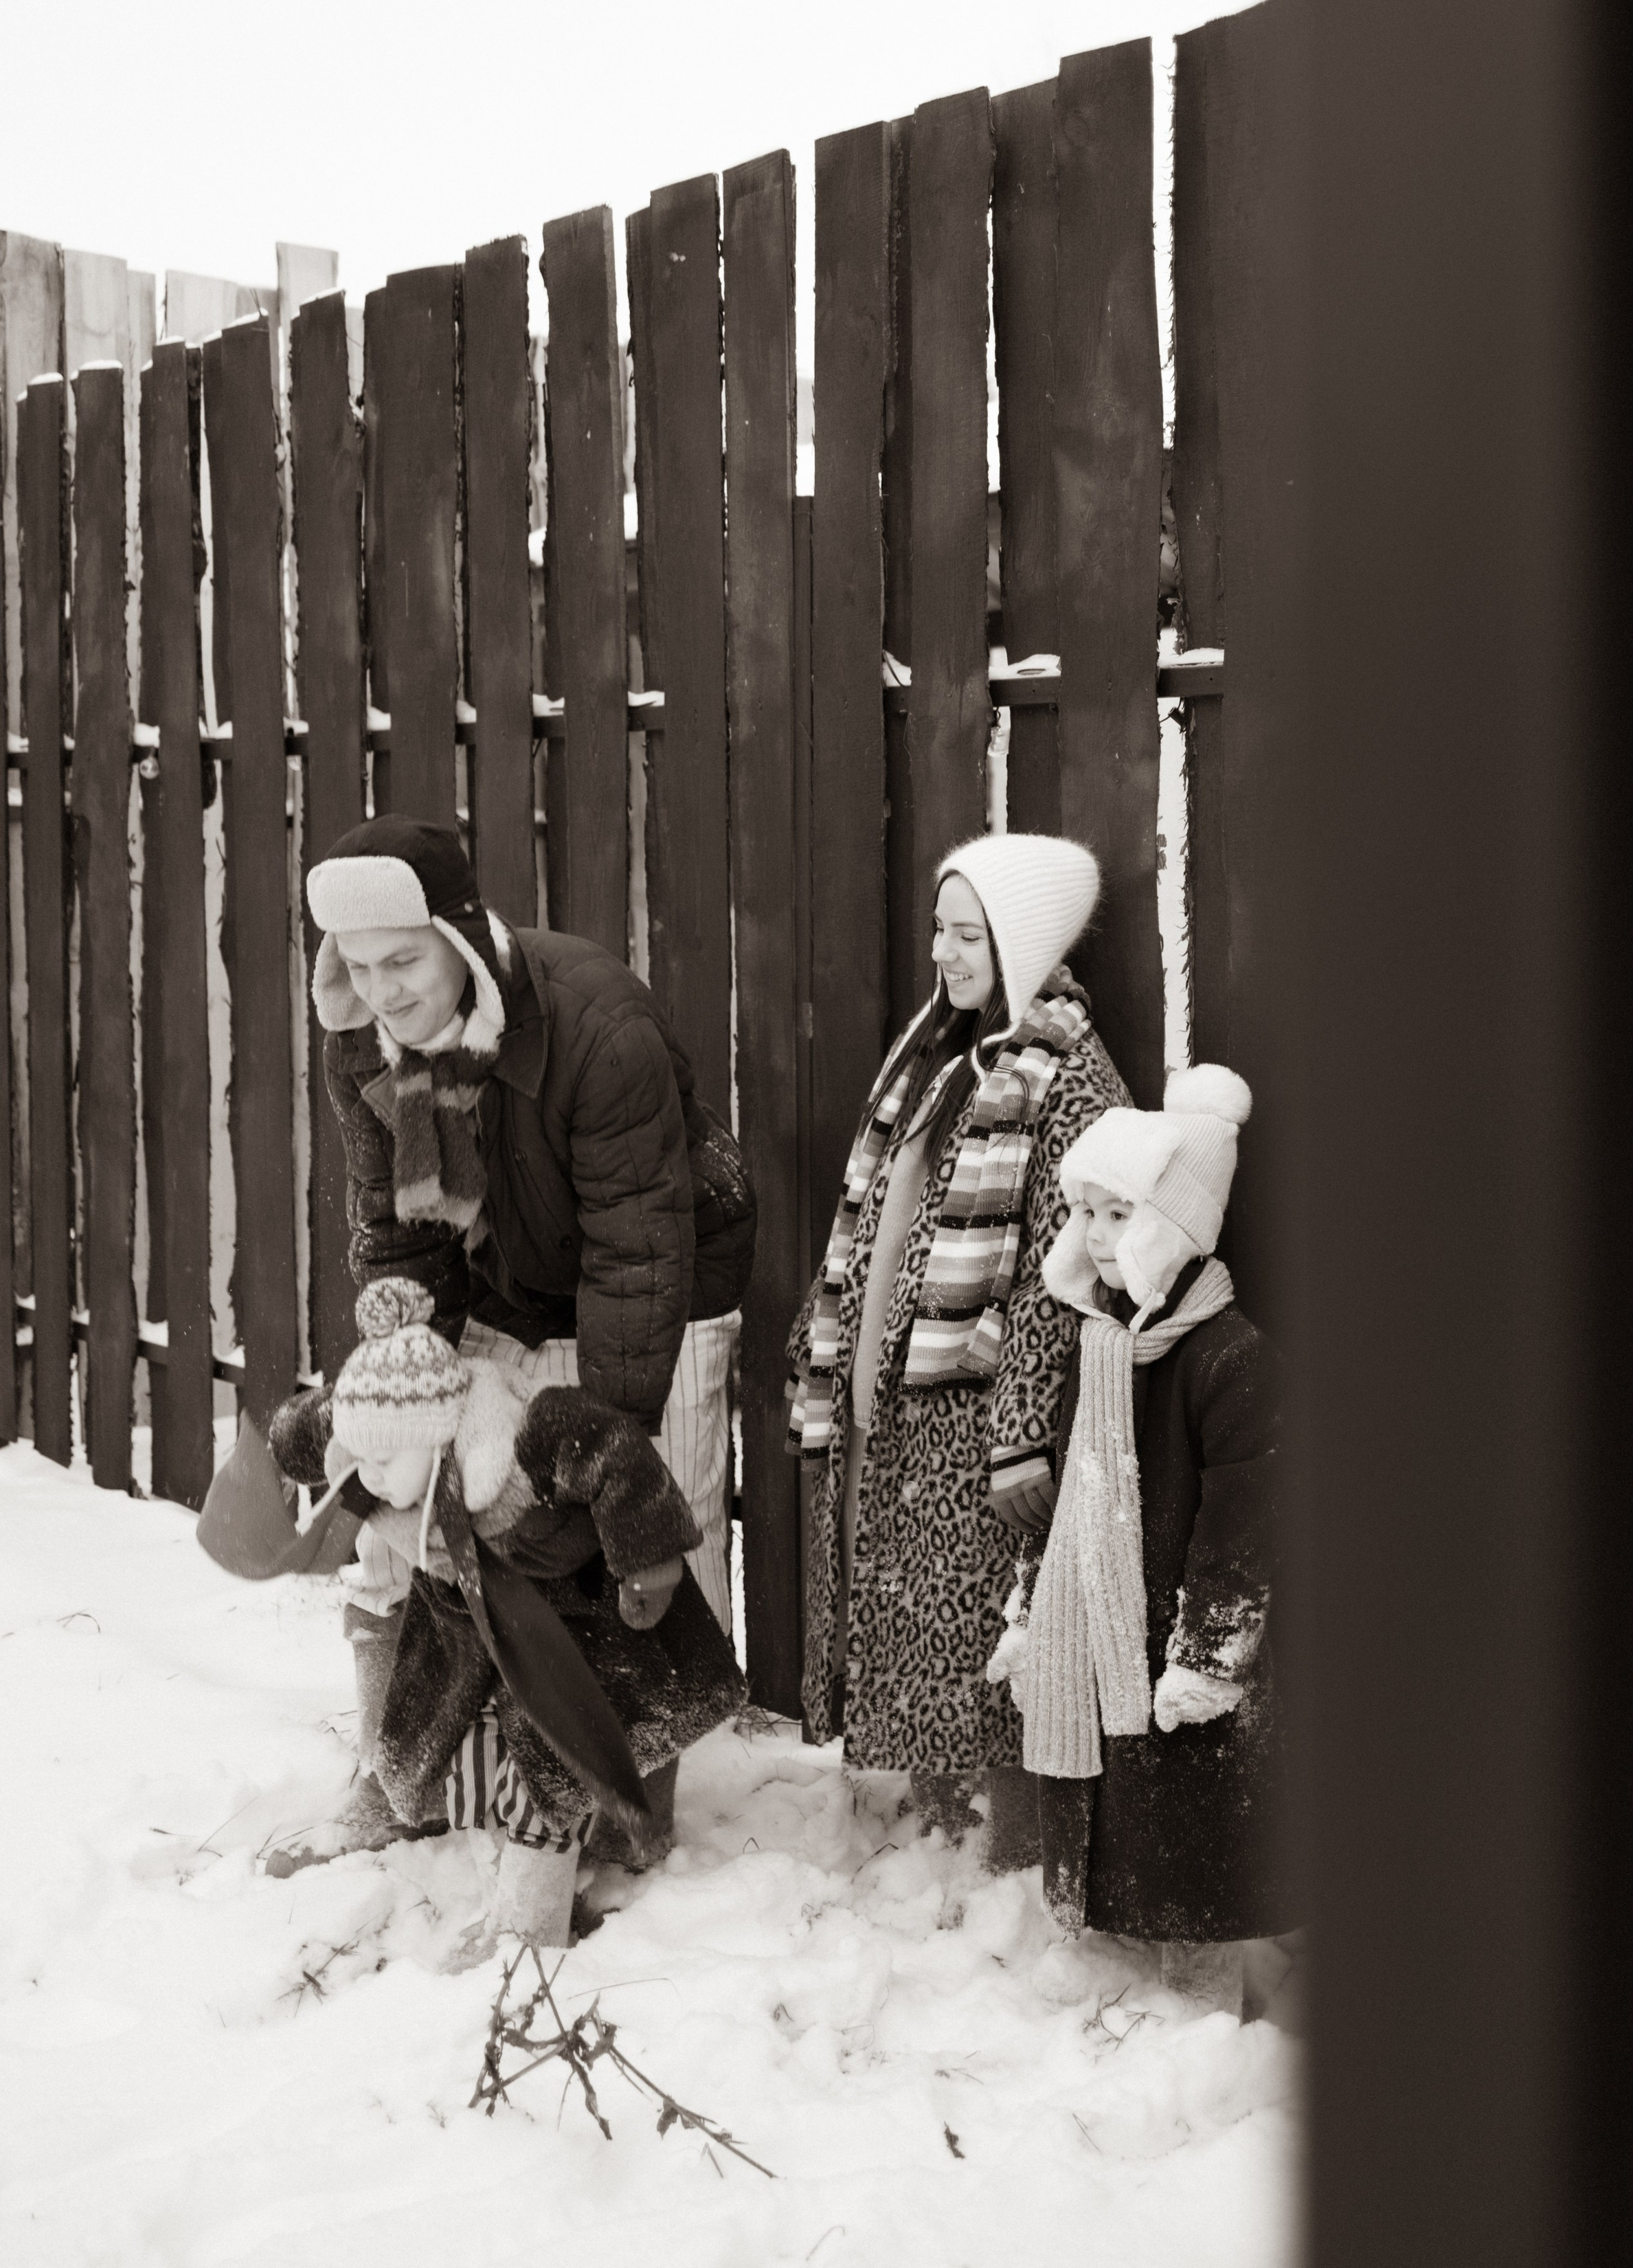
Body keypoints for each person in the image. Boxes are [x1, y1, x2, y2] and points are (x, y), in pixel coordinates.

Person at [282, 811, 754, 1859]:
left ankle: (629, 1809)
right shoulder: (363, 1036)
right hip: (508, 1280)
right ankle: (400, 1774)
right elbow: (397, 1226)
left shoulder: (596, 1025)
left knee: (647, 1536)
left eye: (403, 961)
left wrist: (609, 1462)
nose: (383, 989)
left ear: (457, 937)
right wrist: (410, 1376)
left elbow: (636, 1249)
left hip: (662, 1280)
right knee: (417, 1512)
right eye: (358, 965)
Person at [785, 833, 1129, 1863]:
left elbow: (1059, 1283)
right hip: (893, 1400)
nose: (941, 952)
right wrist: (821, 1334)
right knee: (909, 1621)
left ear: (1022, 939)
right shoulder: (939, 1054)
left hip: (971, 1421)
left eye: (968, 934)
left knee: (975, 1642)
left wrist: (1020, 1432)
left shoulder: (1070, 1083)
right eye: (939, 929)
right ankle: (939, 1835)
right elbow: (874, 1210)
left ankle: (998, 1851)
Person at [265, 1277, 745, 1946]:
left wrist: (649, 1558)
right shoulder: (382, 1431)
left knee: (555, 1766)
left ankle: (529, 1925)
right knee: (435, 1739)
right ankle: (445, 1820)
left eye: (383, 1461)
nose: (367, 1476)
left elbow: (612, 1448)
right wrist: (285, 1447)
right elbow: (322, 1428)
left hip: (577, 1630)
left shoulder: (526, 1440)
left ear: (436, 1436)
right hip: (470, 1622)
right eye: (360, 1458)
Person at [992, 1070, 1292, 2013]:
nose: (1093, 1236)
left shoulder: (1231, 1360)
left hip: (1180, 1663)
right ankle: (1126, 2001)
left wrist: (1206, 1658)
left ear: (1173, 1224)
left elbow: (1244, 1524)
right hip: (1105, 1642)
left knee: (1193, 1853)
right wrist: (1029, 1611)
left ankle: (1203, 2018)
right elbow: (1071, 1500)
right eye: (1085, 1213)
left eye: (1118, 1214)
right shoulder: (1104, 1345)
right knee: (1129, 1837)